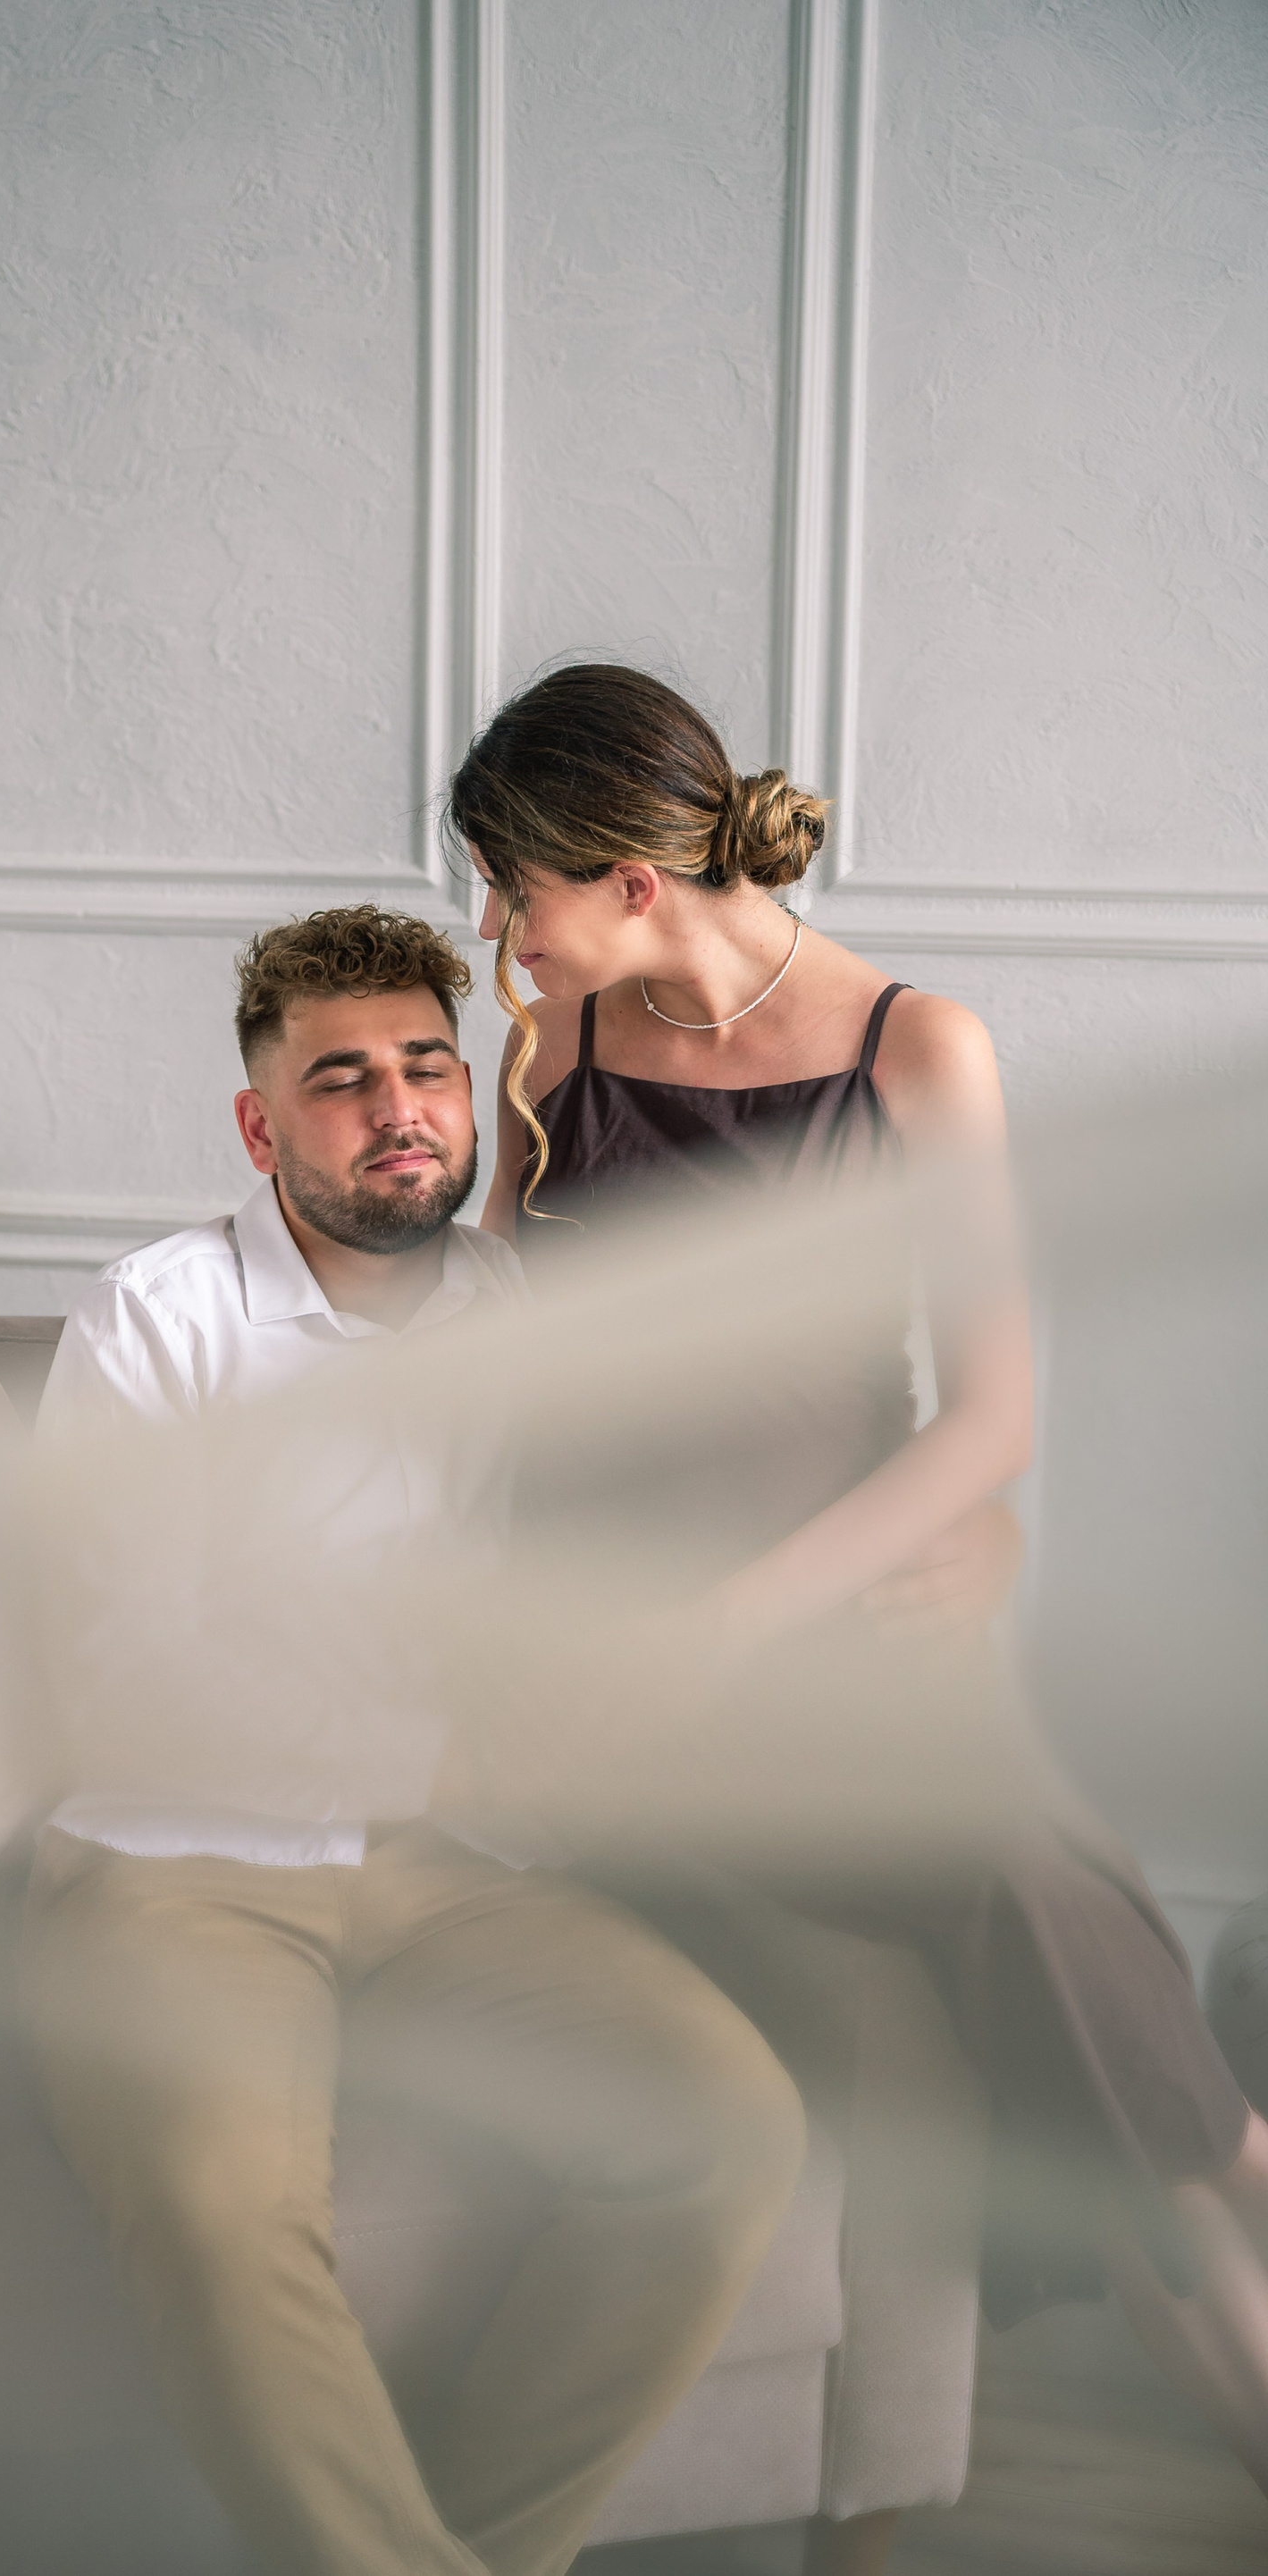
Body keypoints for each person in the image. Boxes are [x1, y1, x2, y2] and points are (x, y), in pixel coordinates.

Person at [449, 659, 1268, 2568]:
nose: (490, 928)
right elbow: (492, 1362)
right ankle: (1232, 2139)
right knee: (1060, 1971)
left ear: (629, 876)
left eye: (511, 884)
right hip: (625, 1697)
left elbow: (992, 1417)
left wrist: (753, 1622)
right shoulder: (550, 1050)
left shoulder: (917, 1051)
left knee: (1048, 1970)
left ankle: (1226, 2159)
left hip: (821, 1654)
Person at [24, 903, 810, 2576]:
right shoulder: (154, 1320)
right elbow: (125, 1672)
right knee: (222, 2211)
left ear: (470, 1094)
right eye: (341, 1081)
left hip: (461, 1877)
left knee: (726, 2131)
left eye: (427, 1068)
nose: (398, 1110)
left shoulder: (530, 1314)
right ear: (261, 1129)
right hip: (183, 1868)